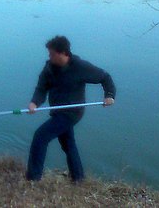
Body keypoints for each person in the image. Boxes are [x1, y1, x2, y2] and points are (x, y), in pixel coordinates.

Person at [26, 35, 116, 183]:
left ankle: (33, 179)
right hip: (57, 110)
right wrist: (34, 103)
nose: (49, 56)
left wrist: (109, 95)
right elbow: (41, 88)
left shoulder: (80, 67)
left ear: (63, 53)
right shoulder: (49, 68)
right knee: (68, 144)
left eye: (52, 54)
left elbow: (105, 78)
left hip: (72, 112)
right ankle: (78, 178)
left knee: (40, 137)